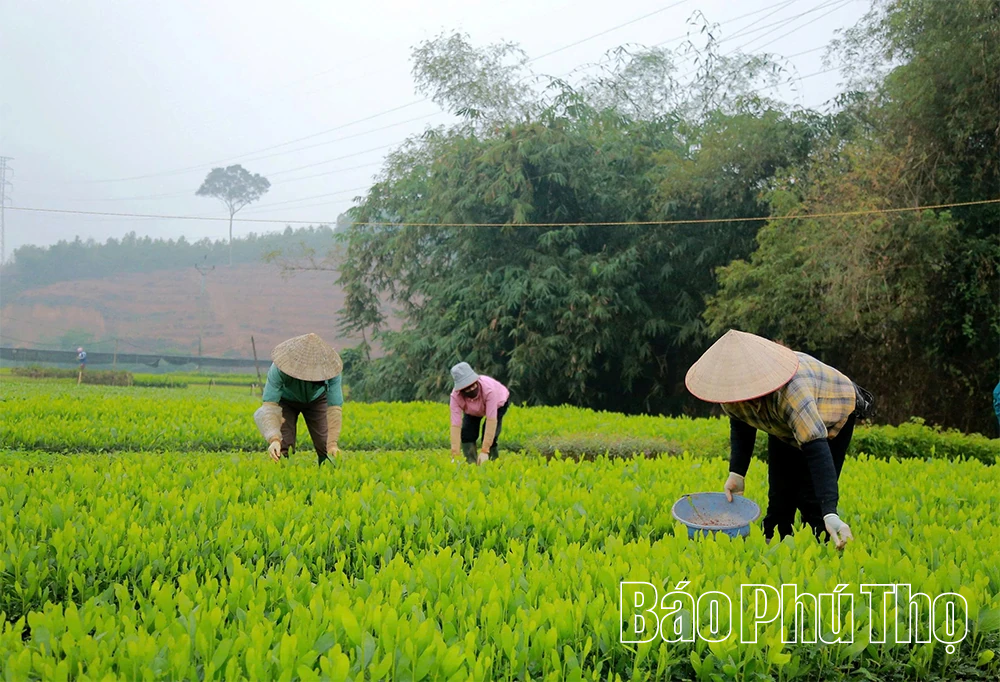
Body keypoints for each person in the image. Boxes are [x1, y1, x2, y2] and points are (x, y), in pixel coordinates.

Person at [685, 329, 868, 549]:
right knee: (780, 497)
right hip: (782, 424)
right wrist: (737, 473)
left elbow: (817, 452)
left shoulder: (792, 393)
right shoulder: (731, 392)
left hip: (831, 408)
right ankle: (776, 545)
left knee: (811, 499)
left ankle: (823, 545)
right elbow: (742, 424)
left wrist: (830, 511)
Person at [252, 333, 344, 466]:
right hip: (286, 401)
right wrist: (274, 439)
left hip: (317, 400)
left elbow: (334, 408)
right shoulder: (279, 369)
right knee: (284, 445)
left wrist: (332, 444)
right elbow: (269, 405)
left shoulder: (332, 370)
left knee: (326, 446)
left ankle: (328, 476)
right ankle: (282, 476)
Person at [449, 361, 510, 465]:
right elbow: (455, 425)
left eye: (473, 385)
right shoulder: (455, 396)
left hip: (498, 403)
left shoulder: (489, 390)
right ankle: (471, 463)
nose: (471, 389)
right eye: (467, 388)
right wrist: (455, 454)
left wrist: (484, 451)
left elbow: (491, 421)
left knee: (491, 435)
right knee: (467, 433)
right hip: (472, 409)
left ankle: (493, 464)